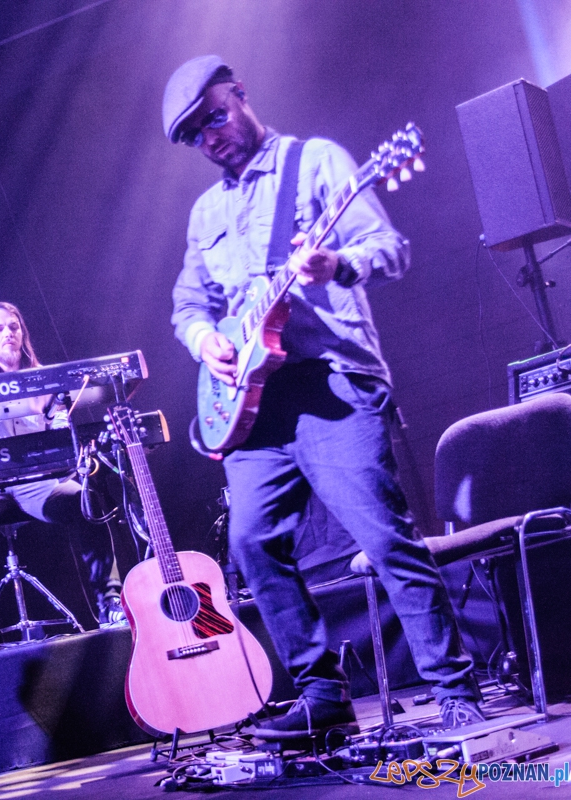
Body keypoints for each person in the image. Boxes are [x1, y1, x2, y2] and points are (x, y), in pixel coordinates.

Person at [164, 55, 484, 739]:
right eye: (196, 133)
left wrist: (336, 264)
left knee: (382, 535)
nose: (211, 135)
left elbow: (389, 248)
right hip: (253, 402)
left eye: (215, 115)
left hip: (332, 379)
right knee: (251, 543)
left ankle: (455, 690)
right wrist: (205, 342)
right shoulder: (206, 212)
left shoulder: (316, 163)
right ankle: (322, 696)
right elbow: (189, 303)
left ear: (241, 94)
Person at [0, 301, 123, 650]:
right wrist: (27, 394)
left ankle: (111, 606)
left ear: (22, 332)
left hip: (36, 481)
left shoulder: (43, 374)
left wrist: (62, 427)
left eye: (13, 327)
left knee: (85, 501)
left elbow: (59, 422)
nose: (8, 334)